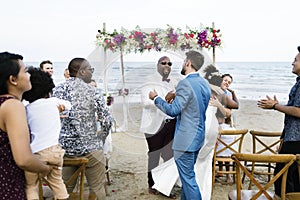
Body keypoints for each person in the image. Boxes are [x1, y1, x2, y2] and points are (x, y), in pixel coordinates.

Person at [149, 50, 211, 200]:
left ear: (188, 63)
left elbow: (173, 110)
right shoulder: (204, 83)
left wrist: (156, 98)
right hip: (198, 137)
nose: (183, 64)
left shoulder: (185, 83)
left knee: (189, 180)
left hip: (185, 140)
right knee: (187, 178)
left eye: (184, 61)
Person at [52, 57, 112, 199]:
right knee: (97, 188)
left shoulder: (57, 90)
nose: (92, 72)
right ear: (82, 72)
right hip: (90, 147)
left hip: (65, 149)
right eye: (90, 69)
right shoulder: (93, 92)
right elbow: (106, 120)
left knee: (65, 189)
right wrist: (101, 137)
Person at [0, 52, 52, 199]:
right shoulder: (12, 106)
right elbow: (24, 159)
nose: (29, 75)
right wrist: (45, 169)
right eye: (25, 71)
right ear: (13, 80)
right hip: (7, 186)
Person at [22, 67, 71, 200]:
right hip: (56, 152)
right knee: (57, 183)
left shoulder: (26, 109)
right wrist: (61, 107)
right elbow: (69, 105)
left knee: (31, 186)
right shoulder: (54, 102)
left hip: (36, 153)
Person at [257, 46, 300, 196]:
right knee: (284, 180)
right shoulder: (298, 82)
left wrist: (276, 106)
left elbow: (299, 111)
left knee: (287, 183)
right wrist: (283, 138)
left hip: (296, 141)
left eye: (295, 60)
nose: (292, 63)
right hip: (291, 138)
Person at [140, 56, 177, 198]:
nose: (167, 65)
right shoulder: (148, 80)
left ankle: (165, 185)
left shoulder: (172, 82)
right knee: (154, 154)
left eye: (169, 63)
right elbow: (145, 102)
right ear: (157, 65)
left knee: (169, 156)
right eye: (164, 63)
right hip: (153, 125)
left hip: (170, 123)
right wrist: (162, 101)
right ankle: (152, 184)